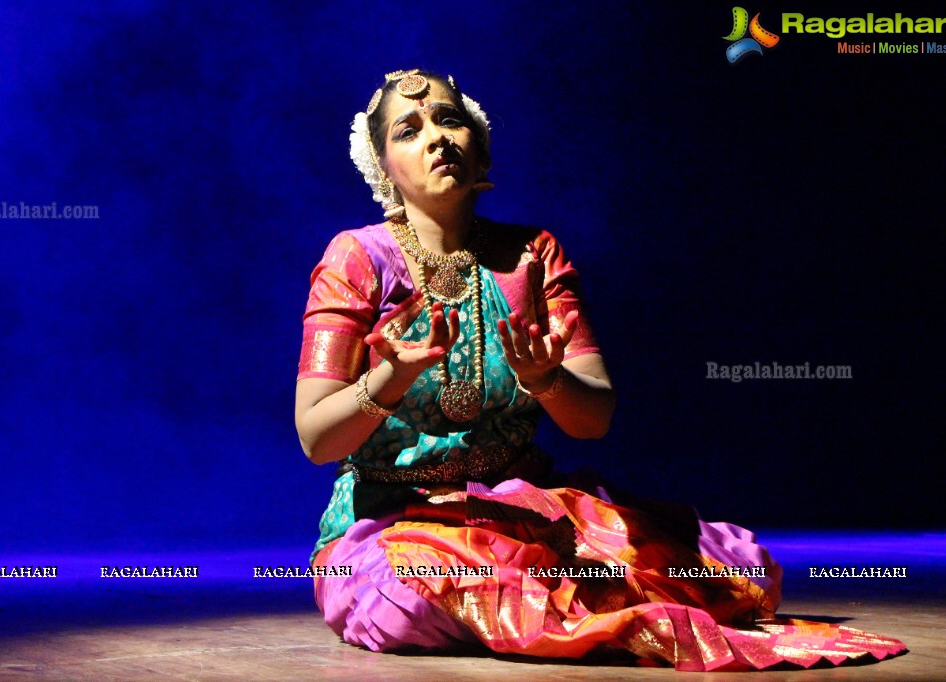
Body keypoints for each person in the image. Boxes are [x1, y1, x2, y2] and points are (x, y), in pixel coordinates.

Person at [294, 69, 906, 671]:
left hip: (520, 508)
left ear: (478, 145)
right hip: (390, 518)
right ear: (381, 165)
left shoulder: (533, 255)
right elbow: (316, 438)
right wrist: (387, 379)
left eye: (450, 119)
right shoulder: (356, 260)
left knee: (737, 570)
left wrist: (545, 380)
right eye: (408, 129)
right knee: (415, 599)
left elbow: (595, 419)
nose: (436, 136)